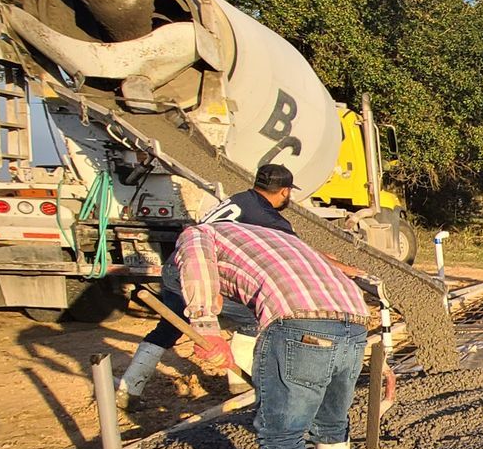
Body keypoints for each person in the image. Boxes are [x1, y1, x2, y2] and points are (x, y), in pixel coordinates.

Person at [174, 220, 371, 449]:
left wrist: (205, 326)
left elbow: (196, 268)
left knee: (281, 432)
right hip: (353, 324)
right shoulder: (278, 239)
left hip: (298, 323)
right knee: (332, 423)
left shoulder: (198, 233)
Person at [117, 163, 358, 406]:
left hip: (177, 268)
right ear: (284, 191)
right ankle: (240, 386)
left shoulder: (239, 200)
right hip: (205, 272)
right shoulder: (265, 217)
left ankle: (129, 389)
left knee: (169, 327)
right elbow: (299, 251)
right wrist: (344, 268)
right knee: (251, 319)